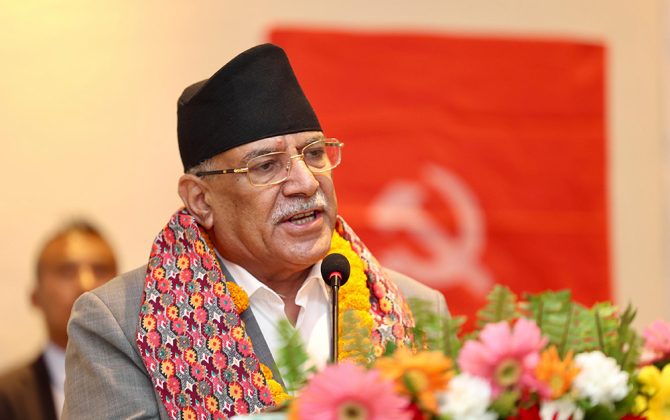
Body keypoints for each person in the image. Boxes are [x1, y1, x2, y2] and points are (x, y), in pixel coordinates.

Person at [62, 44, 447, 419]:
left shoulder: (417, 310)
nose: (306, 183)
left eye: (314, 154)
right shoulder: (118, 324)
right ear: (201, 200)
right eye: (266, 166)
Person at [0, 221, 118, 420]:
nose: (86, 284)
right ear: (35, 297)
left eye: (100, 270)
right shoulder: (6, 398)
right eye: (67, 271)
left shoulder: (155, 386)